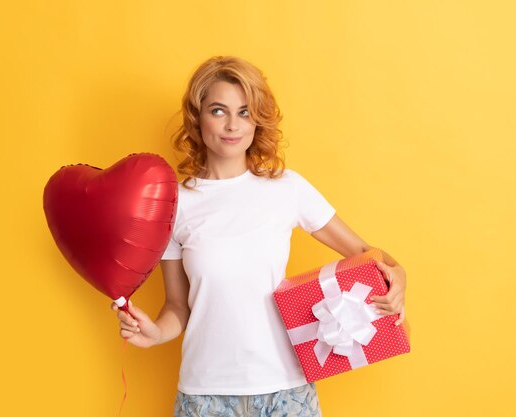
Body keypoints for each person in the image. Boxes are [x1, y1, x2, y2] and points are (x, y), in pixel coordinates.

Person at [111, 56, 407, 417]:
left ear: (257, 120)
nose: (233, 125)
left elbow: (364, 252)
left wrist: (398, 275)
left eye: (245, 112)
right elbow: (178, 306)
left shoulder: (286, 189)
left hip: (288, 393)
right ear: (197, 117)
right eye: (219, 111)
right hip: (205, 397)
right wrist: (155, 332)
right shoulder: (175, 205)